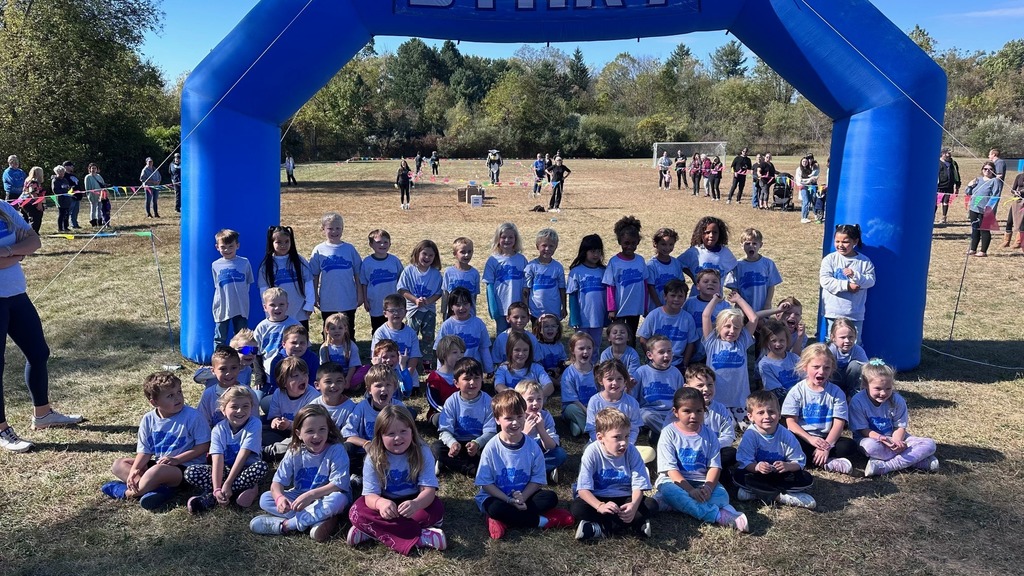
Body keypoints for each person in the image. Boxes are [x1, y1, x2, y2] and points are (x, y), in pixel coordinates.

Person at [0, 200, 83, 452]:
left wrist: (7, 252)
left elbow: (34, 241)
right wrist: (16, 252)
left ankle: (43, 414)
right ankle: (2, 430)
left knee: (38, 353)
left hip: (16, 294)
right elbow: (20, 250)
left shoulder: (3, 207)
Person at [347, 405, 447, 554]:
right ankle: (422, 537)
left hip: (413, 501)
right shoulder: (373, 457)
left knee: (436, 508)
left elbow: (429, 491)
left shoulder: (423, 452)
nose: (398, 438)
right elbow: (370, 496)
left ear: (412, 431)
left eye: (403, 431)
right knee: (356, 511)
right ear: (380, 436)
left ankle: (370, 530)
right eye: (390, 433)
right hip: (385, 502)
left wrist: (416, 503)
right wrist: (380, 504)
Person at [474, 389, 573, 540]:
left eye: (520, 416)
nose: (515, 422)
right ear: (497, 419)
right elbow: (486, 484)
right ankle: (541, 521)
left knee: (550, 498)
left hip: (524, 494)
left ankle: (505, 520)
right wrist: (509, 500)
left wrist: (522, 498)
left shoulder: (532, 446)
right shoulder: (491, 448)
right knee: (494, 507)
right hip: (499, 497)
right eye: (509, 418)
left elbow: (538, 480)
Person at [102, 372, 209, 509]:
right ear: (154, 402)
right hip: (159, 464)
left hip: (184, 468)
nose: (178, 398)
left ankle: (126, 493)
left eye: (179, 392)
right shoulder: (148, 419)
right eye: (170, 396)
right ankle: (158, 490)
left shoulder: (193, 416)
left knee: (156, 472)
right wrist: (135, 470)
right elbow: (145, 451)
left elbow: (204, 446)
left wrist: (177, 459)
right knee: (119, 464)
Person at [250, 404, 350, 542]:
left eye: (322, 429)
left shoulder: (336, 450)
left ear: (328, 430)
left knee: (339, 499)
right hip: (300, 496)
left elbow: (338, 485)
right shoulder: (294, 451)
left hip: (326, 496)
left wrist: (310, 495)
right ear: (298, 433)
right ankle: (316, 519)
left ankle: (286, 525)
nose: (317, 435)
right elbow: (276, 483)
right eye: (310, 431)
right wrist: (279, 498)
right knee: (266, 498)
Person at [655, 387, 748, 532]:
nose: (694, 416)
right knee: (669, 490)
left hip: (701, 481)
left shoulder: (710, 435)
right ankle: (718, 515)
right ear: (675, 412)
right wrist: (691, 490)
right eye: (687, 411)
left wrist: (708, 488)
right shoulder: (668, 433)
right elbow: (671, 470)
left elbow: (714, 467)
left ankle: (672, 503)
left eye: (699, 411)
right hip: (674, 481)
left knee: (722, 497)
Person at [573, 406, 656, 540]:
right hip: (598, 498)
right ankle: (635, 525)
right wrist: (600, 506)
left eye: (626, 436)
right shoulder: (592, 452)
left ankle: (597, 528)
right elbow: (583, 489)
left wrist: (633, 506)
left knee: (651, 505)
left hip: (625, 499)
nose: (623, 442)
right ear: (600, 438)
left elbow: (638, 485)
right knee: (578, 508)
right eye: (617, 437)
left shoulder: (632, 451)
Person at [184, 385, 268, 514]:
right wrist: (218, 488)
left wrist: (228, 484)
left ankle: (212, 497)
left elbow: (243, 455)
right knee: (191, 472)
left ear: (251, 408)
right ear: (223, 410)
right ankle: (228, 493)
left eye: (245, 406)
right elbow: (217, 460)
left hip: (244, 468)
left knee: (261, 467)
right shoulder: (218, 429)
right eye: (234, 407)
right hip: (224, 469)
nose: (240, 411)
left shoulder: (255, 424)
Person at [851, 359, 939, 476]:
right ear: (865, 385)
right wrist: (881, 438)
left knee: (930, 444)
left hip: (896, 438)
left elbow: (900, 426)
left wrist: (897, 441)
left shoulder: (897, 400)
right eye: (878, 388)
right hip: (871, 439)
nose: (883, 393)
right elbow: (863, 430)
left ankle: (886, 466)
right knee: (871, 448)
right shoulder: (857, 401)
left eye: (888, 388)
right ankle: (918, 461)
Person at [732, 390, 816, 509]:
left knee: (806, 479)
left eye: (771, 412)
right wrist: (757, 467)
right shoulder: (751, 434)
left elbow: (799, 461)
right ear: (750, 417)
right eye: (761, 413)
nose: (767, 416)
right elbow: (744, 462)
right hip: (758, 474)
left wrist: (787, 466)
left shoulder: (786, 434)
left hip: (780, 474)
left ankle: (756, 493)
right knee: (740, 476)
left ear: (779, 413)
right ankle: (780, 497)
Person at [781, 343, 857, 474]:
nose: (821, 371)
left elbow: (839, 423)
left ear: (832, 369)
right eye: (816, 367)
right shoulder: (796, 391)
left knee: (849, 446)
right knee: (786, 444)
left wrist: (826, 446)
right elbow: (791, 423)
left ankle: (814, 459)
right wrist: (810, 439)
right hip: (804, 438)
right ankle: (827, 463)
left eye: (826, 368)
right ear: (805, 367)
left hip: (826, 438)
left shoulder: (837, 392)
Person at [432, 357, 496, 476]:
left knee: (494, 449)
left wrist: (478, 443)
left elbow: (491, 432)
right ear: (456, 383)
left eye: (476, 378)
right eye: (467, 379)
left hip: (478, 444)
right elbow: (444, 430)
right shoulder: (452, 401)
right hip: (457, 444)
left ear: (482, 379)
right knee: (437, 447)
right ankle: (469, 467)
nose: (472, 382)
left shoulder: (488, 401)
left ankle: (452, 464)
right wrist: (452, 444)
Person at [702, 292, 759, 421]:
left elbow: (754, 319)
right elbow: (705, 316)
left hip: (740, 401)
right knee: (727, 428)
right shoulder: (712, 343)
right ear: (718, 327)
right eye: (727, 326)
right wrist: (715, 300)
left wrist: (739, 299)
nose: (732, 331)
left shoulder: (742, 342)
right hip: (717, 401)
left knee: (747, 430)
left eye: (737, 328)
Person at [604, 216, 657, 345]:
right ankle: (616, 362)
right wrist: (611, 308)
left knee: (631, 337)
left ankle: (631, 362)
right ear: (619, 241)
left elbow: (644, 285)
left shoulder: (640, 260)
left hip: (635, 308)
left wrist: (644, 306)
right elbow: (610, 286)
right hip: (619, 309)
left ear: (638, 242)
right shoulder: (614, 262)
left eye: (633, 243)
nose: (630, 246)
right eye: (626, 243)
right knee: (618, 337)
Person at [309, 212, 363, 337]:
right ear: (323, 229)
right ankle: (328, 354)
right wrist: (315, 295)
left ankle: (349, 354)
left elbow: (358, 273)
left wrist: (360, 294)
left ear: (342, 229)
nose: (334, 231)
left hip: (348, 299)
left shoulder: (349, 249)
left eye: (338, 228)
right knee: (329, 330)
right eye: (330, 228)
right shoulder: (319, 250)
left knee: (348, 331)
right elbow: (314, 275)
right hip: (328, 300)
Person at [820, 223, 875, 339]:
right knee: (832, 343)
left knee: (854, 343)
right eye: (837, 241)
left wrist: (855, 275)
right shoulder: (830, 259)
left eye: (845, 242)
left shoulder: (864, 262)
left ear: (855, 241)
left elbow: (871, 281)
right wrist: (847, 286)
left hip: (855, 313)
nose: (840, 245)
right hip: (833, 312)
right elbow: (825, 280)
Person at [258, 225, 314, 328]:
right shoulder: (266, 266)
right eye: (279, 242)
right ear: (272, 243)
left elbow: (309, 283)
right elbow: (264, 290)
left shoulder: (300, 261)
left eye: (286, 241)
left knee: (300, 339)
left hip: (300, 312)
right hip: (278, 312)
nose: (283, 245)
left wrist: (309, 304)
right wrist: (268, 312)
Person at [398, 239, 443, 369]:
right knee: (411, 336)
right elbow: (402, 289)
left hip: (429, 311)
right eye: (424, 254)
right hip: (412, 311)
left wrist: (428, 301)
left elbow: (439, 292)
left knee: (428, 337)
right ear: (417, 253)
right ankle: (408, 359)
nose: (427, 257)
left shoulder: (436, 274)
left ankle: (427, 360)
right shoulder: (409, 271)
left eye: (431, 255)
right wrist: (415, 300)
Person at [637, 279, 698, 370]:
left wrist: (685, 363)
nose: (676, 299)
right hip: (656, 362)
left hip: (677, 363)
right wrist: (653, 358)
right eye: (672, 295)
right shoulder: (654, 315)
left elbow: (691, 343)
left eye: (680, 296)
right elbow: (643, 339)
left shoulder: (688, 318)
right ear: (665, 296)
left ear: (685, 298)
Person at [633, 334, 685, 438]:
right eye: (661, 352)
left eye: (669, 351)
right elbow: (634, 398)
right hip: (650, 411)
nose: (666, 355)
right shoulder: (641, 372)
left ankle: (657, 434)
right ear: (650, 355)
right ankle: (673, 436)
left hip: (670, 412)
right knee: (647, 416)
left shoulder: (675, 373)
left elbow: (681, 397)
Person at [516, 379, 567, 483]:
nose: (535, 403)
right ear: (520, 402)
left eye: (539, 399)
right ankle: (546, 474)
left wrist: (541, 429)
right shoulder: (515, 418)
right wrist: (525, 433)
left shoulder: (546, 416)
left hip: (540, 452)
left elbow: (551, 446)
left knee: (560, 454)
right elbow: (511, 447)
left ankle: (530, 474)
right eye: (530, 400)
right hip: (521, 455)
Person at [435, 287, 493, 374]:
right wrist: (440, 372)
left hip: (473, 369)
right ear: (451, 307)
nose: (462, 308)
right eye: (458, 305)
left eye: (465, 304)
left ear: (471, 304)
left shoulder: (478, 323)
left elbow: (484, 348)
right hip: (453, 371)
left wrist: (489, 369)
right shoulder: (447, 326)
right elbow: (440, 352)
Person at [483, 222, 528, 334]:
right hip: (501, 306)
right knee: (503, 335)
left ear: (515, 239)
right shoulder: (493, 260)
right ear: (498, 239)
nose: (507, 240)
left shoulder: (521, 260)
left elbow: (525, 286)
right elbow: (489, 285)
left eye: (510, 237)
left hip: (517, 306)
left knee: (518, 334)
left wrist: (525, 305)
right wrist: (493, 308)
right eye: (503, 237)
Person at [724, 228, 782, 313]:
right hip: (743, 309)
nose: (751, 246)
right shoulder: (737, 265)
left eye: (754, 243)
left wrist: (767, 303)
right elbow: (734, 288)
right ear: (741, 245)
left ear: (760, 245)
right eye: (747, 244)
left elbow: (771, 286)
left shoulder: (768, 263)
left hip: (762, 308)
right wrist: (739, 304)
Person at [212, 229, 254, 347]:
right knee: (220, 337)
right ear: (217, 247)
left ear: (237, 246)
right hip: (222, 307)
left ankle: (244, 361)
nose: (227, 250)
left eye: (231, 246)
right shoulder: (215, 265)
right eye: (223, 247)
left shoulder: (244, 262)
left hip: (240, 306)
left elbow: (249, 282)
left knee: (242, 337)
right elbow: (217, 285)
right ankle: (218, 361)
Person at [679, 216, 737, 297]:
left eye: (715, 232)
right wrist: (693, 277)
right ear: (700, 234)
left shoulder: (725, 252)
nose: (711, 235)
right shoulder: (695, 251)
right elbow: (680, 264)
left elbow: (734, 268)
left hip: (716, 299)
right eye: (707, 232)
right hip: (696, 297)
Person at [360, 228, 403, 336]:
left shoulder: (394, 261)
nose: (383, 245)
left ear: (390, 244)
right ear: (371, 244)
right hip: (375, 302)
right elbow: (364, 283)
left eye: (385, 242)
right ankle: (377, 349)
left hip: (394, 303)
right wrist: (365, 300)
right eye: (378, 242)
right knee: (377, 328)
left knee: (394, 327)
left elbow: (402, 280)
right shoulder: (367, 262)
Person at [567, 234, 607, 346]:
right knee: (580, 346)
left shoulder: (604, 271)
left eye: (599, 251)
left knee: (595, 346)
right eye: (592, 251)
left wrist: (607, 317)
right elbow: (573, 296)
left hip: (598, 318)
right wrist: (574, 318)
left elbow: (608, 295)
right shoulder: (576, 272)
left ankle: (593, 364)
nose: (596, 255)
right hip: (582, 319)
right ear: (585, 252)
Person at [524, 228, 567, 321]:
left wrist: (564, 307)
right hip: (536, 311)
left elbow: (562, 289)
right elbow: (526, 289)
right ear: (537, 246)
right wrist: (525, 307)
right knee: (537, 334)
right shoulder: (531, 266)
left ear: (556, 247)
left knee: (553, 334)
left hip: (554, 310)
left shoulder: (558, 267)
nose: (547, 249)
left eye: (551, 246)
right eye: (544, 245)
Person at [963, 161, 1004, 257]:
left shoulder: (995, 181)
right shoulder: (978, 179)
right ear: (982, 170)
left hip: (985, 209)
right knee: (975, 228)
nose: (987, 171)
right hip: (974, 207)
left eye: (990, 169)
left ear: (993, 171)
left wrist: (989, 208)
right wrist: (969, 185)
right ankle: (973, 249)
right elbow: (968, 192)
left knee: (984, 230)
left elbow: (995, 196)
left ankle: (983, 251)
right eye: (985, 169)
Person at [494, 331, 553, 398]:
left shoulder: (536, 368)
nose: (521, 354)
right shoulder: (503, 369)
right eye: (517, 350)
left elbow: (550, 386)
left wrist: (536, 396)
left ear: (530, 351)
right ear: (510, 351)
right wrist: (516, 397)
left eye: (525, 350)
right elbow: (498, 386)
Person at [756, 319, 802, 404]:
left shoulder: (794, 358)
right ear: (766, 342)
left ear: (787, 340)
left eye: (781, 340)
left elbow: (805, 379)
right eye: (773, 341)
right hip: (782, 405)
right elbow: (776, 392)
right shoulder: (765, 364)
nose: (778, 344)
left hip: (801, 401)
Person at [425, 335, 465, 427]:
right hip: (441, 411)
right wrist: (449, 413)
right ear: (444, 355)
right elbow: (433, 402)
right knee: (438, 418)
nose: (459, 356)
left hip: (464, 411)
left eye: (462, 352)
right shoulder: (434, 378)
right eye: (455, 352)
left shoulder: (465, 374)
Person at [827, 317, 868, 396]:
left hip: (849, 381)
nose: (847, 341)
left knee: (856, 366)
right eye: (842, 337)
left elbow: (867, 369)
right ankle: (830, 391)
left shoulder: (857, 350)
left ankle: (851, 393)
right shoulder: (829, 350)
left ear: (855, 336)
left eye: (850, 337)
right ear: (833, 338)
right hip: (831, 381)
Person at [319, 314, 361, 389]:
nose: (337, 331)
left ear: (345, 329)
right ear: (327, 330)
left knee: (365, 370)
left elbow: (353, 366)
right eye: (333, 328)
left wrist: (347, 380)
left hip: (348, 375)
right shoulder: (324, 348)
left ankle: (348, 385)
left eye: (340, 328)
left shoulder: (351, 346)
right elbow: (324, 367)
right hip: (332, 377)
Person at [646, 227, 683, 312]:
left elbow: (681, 284)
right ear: (655, 244)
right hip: (655, 308)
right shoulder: (651, 265)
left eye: (671, 244)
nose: (667, 248)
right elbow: (650, 288)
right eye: (663, 244)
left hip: (673, 307)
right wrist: (659, 306)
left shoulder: (676, 263)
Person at [442, 236, 480, 318]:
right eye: (462, 252)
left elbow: (474, 296)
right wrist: (444, 312)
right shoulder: (448, 272)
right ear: (455, 254)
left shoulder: (474, 273)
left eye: (470, 251)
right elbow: (445, 294)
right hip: (452, 315)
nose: (467, 255)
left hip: (469, 315)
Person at [532, 314, 567, 379]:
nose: (550, 329)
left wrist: (559, 369)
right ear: (540, 330)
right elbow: (537, 364)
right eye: (546, 326)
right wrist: (549, 371)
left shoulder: (559, 345)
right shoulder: (538, 346)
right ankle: (556, 384)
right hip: (543, 373)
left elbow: (563, 360)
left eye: (553, 326)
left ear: (557, 329)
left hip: (557, 372)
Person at [935, 147, 960, 225]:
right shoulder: (937, 162)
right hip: (939, 186)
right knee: (935, 203)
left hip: (949, 186)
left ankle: (944, 217)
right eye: (948, 153)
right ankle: (932, 217)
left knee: (946, 202)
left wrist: (957, 185)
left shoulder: (953, 163)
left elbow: (957, 174)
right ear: (943, 154)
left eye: (950, 153)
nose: (949, 155)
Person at [18, 166, 46, 234]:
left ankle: (24, 233)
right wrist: (38, 204)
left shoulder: (27, 180)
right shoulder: (33, 182)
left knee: (25, 219)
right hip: (30, 202)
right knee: (35, 217)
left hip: (22, 201)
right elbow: (33, 193)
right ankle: (33, 233)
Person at [83, 163, 108, 228]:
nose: (93, 169)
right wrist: (89, 194)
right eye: (92, 168)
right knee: (93, 208)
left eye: (95, 168)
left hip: (100, 194)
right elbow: (87, 187)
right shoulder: (88, 177)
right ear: (90, 169)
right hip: (92, 195)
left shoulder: (99, 176)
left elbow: (103, 184)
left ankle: (100, 221)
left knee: (100, 208)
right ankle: (93, 221)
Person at [51, 165, 72, 233]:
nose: (62, 174)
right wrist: (63, 191)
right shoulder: (55, 180)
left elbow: (67, 188)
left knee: (67, 213)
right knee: (61, 214)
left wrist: (69, 189)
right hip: (60, 199)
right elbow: (55, 190)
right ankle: (60, 228)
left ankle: (66, 227)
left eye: (63, 172)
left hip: (67, 199)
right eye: (60, 172)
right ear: (57, 172)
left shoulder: (65, 180)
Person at [63, 161, 83, 230]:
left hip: (77, 195)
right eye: (71, 166)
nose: (72, 167)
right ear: (66, 167)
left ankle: (74, 224)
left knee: (75, 211)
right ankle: (65, 225)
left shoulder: (73, 175)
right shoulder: (64, 176)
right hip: (70, 196)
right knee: (68, 211)